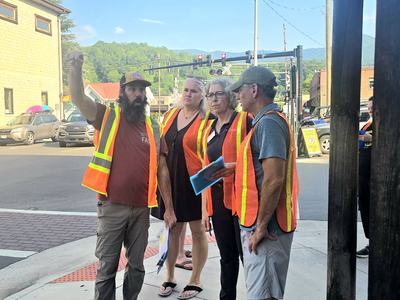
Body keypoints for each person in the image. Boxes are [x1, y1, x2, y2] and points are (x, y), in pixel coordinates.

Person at [68, 52, 176, 300]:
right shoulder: (107, 116)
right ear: (122, 93)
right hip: (112, 206)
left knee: (136, 268)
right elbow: (78, 98)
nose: (138, 94)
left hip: (141, 209)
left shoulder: (153, 126)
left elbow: (162, 168)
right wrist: (75, 69)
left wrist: (168, 208)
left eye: (141, 90)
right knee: (107, 268)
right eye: (132, 89)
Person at [230, 66, 299, 300]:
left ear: (254, 89)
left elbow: (274, 178)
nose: (237, 96)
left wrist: (260, 227)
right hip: (261, 224)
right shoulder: (263, 122)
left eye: (240, 90)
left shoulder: (268, 124)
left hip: (268, 229)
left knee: (264, 294)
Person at [157, 77, 212, 299]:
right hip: (170, 182)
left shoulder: (208, 119)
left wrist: (207, 199)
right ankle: (169, 276)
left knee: (198, 231)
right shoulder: (171, 114)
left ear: (202, 96)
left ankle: (195, 280)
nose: (188, 94)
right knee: (172, 229)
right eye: (185, 90)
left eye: (194, 91)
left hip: (195, 184)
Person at [202, 78, 252, 299]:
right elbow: (206, 171)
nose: (213, 99)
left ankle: (257, 294)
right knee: (227, 257)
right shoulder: (209, 129)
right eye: (210, 95)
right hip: (219, 200)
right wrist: (205, 208)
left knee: (247, 257)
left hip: (241, 200)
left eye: (219, 94)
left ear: (230, 96)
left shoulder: (245, 121)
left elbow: (257, 160)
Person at [356, 97, 374, 258]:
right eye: (368, 107)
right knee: (365, 208)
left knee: (373, 209)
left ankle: (374, 243)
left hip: (373, 178)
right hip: (362, 176)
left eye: (372, 107)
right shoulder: (368, 123)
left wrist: (370, 139)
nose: (370, 110)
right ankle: (371, 241)